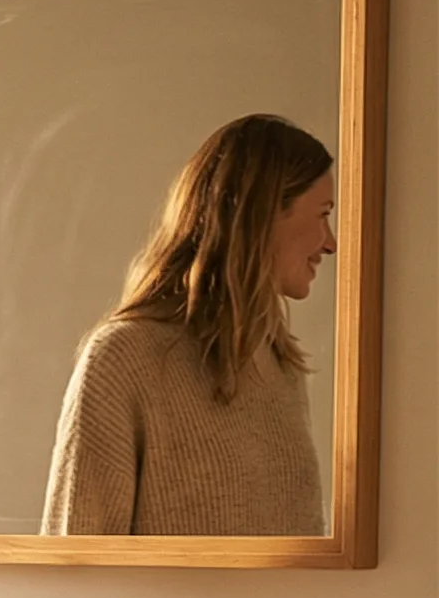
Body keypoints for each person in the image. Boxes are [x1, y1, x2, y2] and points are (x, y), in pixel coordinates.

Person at [41, 114, 336, 536]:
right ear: (263, 214)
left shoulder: (281, 367)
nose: (331, 242)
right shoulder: (124, 358)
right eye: (323, 214)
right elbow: (73, 560)